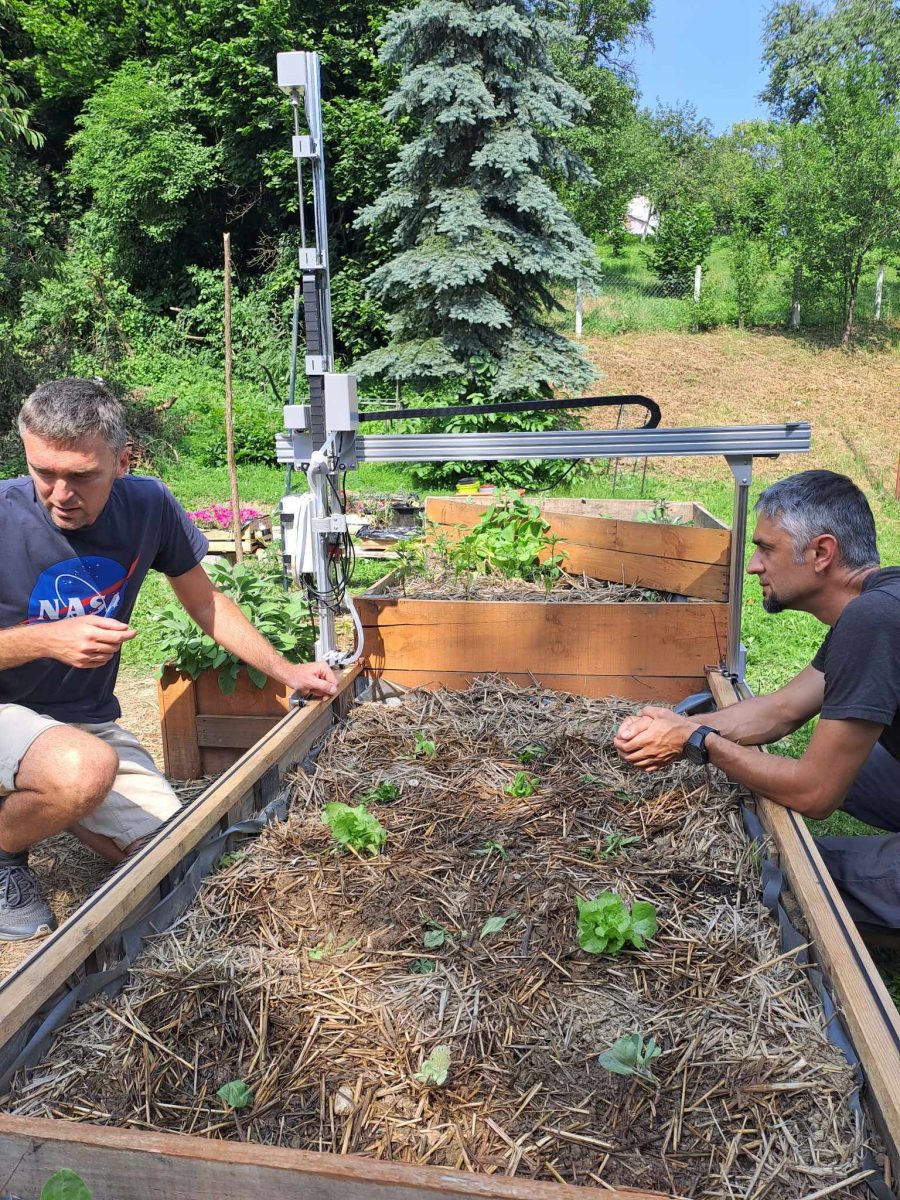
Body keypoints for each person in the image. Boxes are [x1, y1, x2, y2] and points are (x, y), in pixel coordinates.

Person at [0, 378, 338, 941]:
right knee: (83, 771)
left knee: (179, 856)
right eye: (43, 472)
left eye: (81, 475)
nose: (59, 492)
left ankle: (55, 798)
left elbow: (206, 601)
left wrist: (287, 670)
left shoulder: (148, 505)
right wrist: (46, 640)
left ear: (122, 460)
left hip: (82, 723)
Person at [614, 470, 900, 931]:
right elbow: (781, 710)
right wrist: (678, 726)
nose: (753, 565)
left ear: (821, 552)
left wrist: (702, 742)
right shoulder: (880, 602)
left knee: (780, 873)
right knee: (848, 764)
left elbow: (815, 793)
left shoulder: (875, 620)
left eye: (767, 548)